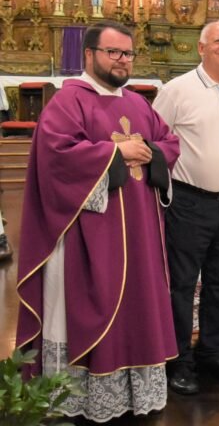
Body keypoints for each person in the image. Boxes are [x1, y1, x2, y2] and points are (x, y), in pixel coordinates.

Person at [15, 21, 179, 421]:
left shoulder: (139, 104)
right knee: (91, 305)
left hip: (139, 233)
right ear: (89, 55)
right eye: (113, 52)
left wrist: (150, 151)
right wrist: (115, 154)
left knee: (138, 306)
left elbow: (168, 142)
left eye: (128, 53)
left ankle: (133, 392)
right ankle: (76, 396)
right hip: (88, 234)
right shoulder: (69, 101)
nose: (123, 60)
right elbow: (57, 156)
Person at [152, 21, 219, 395]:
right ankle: (178, 361)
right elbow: (155, 141)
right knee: (181, 286)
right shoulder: (176, 90)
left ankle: (213, 354)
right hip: (188, 201)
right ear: (201, 48)